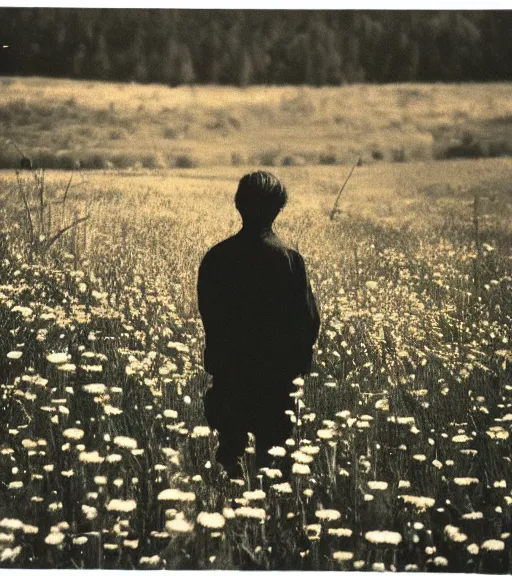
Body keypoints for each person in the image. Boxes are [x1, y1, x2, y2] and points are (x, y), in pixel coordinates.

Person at [197, 171, 320, 477]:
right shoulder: (289, 259)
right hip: (276, 381)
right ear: (279, 209)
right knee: (273, 466)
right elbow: (307, 322)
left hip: (230, 377)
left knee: (231, 464)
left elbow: (209, 316)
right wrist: (297, 367)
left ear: (238, 204)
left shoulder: (216, 257)